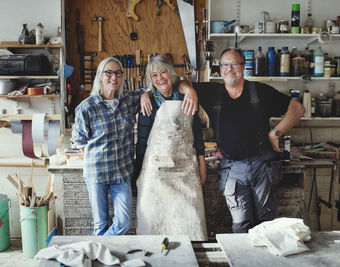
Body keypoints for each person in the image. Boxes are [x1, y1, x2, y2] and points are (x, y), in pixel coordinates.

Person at [179, 48, 305, 233]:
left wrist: (275, 133)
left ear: (243, 66)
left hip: (263, 165)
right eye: (224, 65)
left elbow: (297, 109)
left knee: (265, 223)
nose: (229, 69)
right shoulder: (212, 92)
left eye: (234, 64)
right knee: (240, 224)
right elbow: (180, 82)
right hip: (233, 168)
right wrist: (190, 90)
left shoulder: (260, 91)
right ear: (219, 69)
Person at [72, 57, 198, 236]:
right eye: (108, 72)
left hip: (122, 172)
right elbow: (79, 141)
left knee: (123, 224)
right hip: (97, 173)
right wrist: (95, 159)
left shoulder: (129, 100)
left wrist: (145, 95)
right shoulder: (86, 108)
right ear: (100, 76)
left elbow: (153, 88)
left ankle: (96, 246)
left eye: (118, 73)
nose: (113, 77)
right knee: (100, 225)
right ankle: (101, 257)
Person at [135, 55, 207, 241]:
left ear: (171, 73)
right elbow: (142, 141)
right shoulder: (148, 101)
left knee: (190, 219)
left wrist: (202, 163)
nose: (160, 78)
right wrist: (138, 174)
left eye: (163, 71)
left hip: (185, 169)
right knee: (156, 221)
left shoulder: (186, 96)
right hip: (156, 171)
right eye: (154, 75)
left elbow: (197, 135)